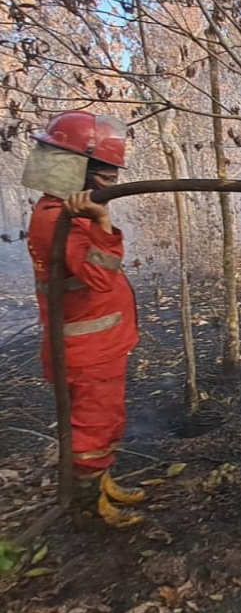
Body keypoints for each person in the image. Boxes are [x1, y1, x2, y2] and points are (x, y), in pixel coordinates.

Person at [23, 110, 145, 528]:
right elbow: (97, 274)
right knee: (92, 426)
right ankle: (90, 506)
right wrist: (103, 222)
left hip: (99, 346)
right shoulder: (55, 219)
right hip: (86, 351)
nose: (109, 183)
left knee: (107, 419)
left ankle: (102, 481)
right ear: (79, 169)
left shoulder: (62, 212)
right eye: (105, 176)